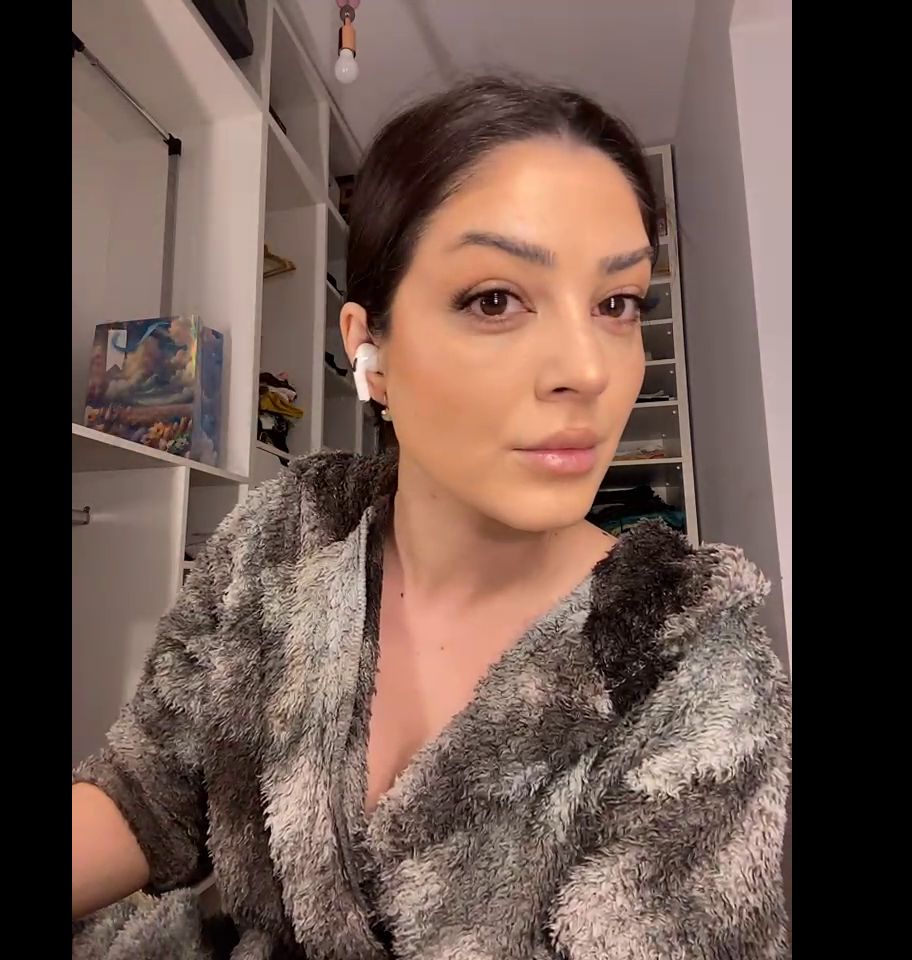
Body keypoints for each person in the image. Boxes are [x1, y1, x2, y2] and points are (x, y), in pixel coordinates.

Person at [72, 77, 791, 958]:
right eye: (495, 300)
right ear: (368, 349)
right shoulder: (284, 536)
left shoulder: (688, 665)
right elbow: (147, 798)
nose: (588, 370)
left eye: (618, 304)